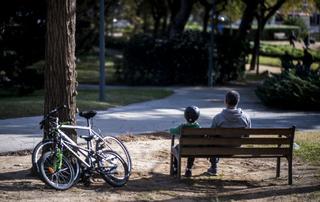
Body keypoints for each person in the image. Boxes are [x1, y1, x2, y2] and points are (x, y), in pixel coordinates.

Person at [207, 90, 251, 175]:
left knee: (213, 139)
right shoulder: (246, 117)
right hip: (236, 148)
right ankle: (213, 167)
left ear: (225, 101)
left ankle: (214, 167)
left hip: (220, 148)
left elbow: (210, 135)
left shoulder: (218, 118)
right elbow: (247, 136)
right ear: (238, 101)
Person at [170, 106, 201, 177]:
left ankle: (176, 168)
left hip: (183, 149)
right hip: (194, 149)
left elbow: (172, 131)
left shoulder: (182, 127)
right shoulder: (198, 128)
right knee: (192, 149)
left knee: (176, 148)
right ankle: (188, 169)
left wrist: (171, 129)